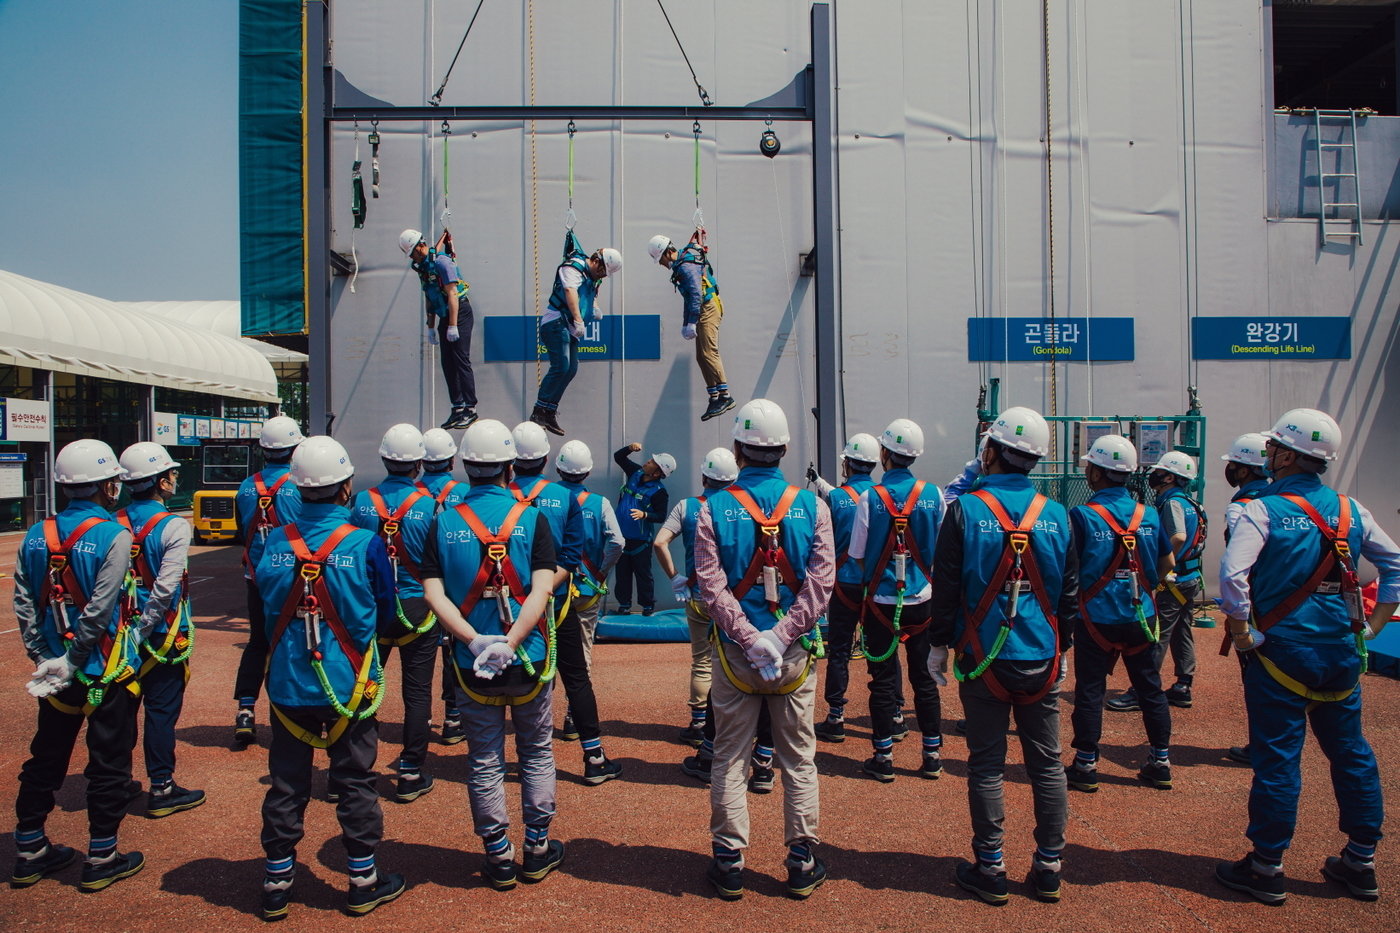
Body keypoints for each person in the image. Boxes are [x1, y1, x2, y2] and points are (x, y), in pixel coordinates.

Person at [1214, 409, 1400, 906]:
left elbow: (1232, 577)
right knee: (1352, 753)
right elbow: (1394, 562)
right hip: (1339, 651)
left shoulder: (1260, 509)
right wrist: (1374, 627)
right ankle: (1361, 861)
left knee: (1278, 760)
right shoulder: (1351, 509)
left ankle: (1266, 866)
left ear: (1288, 454)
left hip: (1281, 651)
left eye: (1274, 446)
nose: (1268, 453)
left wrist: (1241, 628)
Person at [928, 405, 1078, 906]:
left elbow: (946, 587)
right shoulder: (1058, 514)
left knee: (988, 764)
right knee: (1048, 765)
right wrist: (1064, 648)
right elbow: (1069, 594)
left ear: (989, 451)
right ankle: (1050, 866)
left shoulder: (965, 510)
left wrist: (938, 646)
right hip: (1042, 654)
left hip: (983, 656)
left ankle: (990, 866)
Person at [255, 436, 405, 919]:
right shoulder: (365, 544)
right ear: (346, 488)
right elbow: (386, 615)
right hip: (348, 685)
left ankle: (277, 879)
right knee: (356, 779)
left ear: (298, 491)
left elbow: (260, 613)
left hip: (288, 685)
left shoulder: (274, 543)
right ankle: (362, 878)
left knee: (286, 782)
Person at [693, 398, 835, 901]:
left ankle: (729, 860)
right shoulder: (812, 505)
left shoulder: (713, 508)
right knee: (798, 758)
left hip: (735, 655)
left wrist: (751, 638)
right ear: (785, 448)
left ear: (737, 449)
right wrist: (779, 636)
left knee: (730, 755)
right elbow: (822, 583)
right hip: (793, 654)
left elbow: (709, 586)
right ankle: (801, 859)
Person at [421, 419, 565, 890]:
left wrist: (474, 640)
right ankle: (538, 846)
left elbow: (433, 594)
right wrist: (513, 641)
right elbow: (543, 590)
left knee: (484, 758)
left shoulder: (444, 520)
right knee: (537, 750)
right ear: (509, 467)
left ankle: (498, 854)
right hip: (530, 659)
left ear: (466, 465)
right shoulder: (533, 517)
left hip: (471, 664)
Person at [11, 440, 143, 892]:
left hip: (55, 677)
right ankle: (102, 854)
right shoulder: (114, 535)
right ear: (108, 485)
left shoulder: (35, 534)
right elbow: (102, 608)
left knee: (46, 754)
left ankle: (29, 848)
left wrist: (44, 658)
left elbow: (24, 601)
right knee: (108, 763)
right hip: (102, 674)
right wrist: (74, 659)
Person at [1064, 435, 1175, 795]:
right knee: (1150, 688)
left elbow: (1070, 570)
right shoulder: (1149, 513)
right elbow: (1166, 563)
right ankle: (1159, 761)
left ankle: (1085, 764)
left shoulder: (1082, 515)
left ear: (1096, 472)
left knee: (1091, 690)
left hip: (1096, 617)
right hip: (1141, 615)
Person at [511, 422, 620, 784]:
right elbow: (570, 556)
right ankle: (594, 757)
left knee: (514, 679)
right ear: (545, 459)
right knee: (576, 677)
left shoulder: (497, 496)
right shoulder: (566, 499)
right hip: (557, 603)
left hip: (505, 608)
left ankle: (520, 761)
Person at [849, 419, 945, 782]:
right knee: (925, 677)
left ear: (885, 454)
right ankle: (932, 755)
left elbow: (857, 554)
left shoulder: (869, 498)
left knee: (883, 679)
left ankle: (884, 756)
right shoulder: (934, 495)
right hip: (922, 599)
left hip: (880, 602)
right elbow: (942, 550)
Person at [349, 424, 439, 803]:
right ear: (419, 462)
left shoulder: (362, 502)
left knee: (362, 686)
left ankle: (351, 771)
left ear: (385, 458)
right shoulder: (431, 505)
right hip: (418, 605)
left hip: (373, 607)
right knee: (417, 693)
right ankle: (410, 771)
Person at [116, 442, 205, 818]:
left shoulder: (112, 521)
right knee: (161, 712)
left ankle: (117, 781)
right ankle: (162, 786)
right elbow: (166, 589)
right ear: (161, 482)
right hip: (163, 636)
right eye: (171, 475)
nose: (174, 480)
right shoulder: (172, 525)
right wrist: (144, 629)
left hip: (119, 637)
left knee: (120, 712)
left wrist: (129, 632)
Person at [805, 433, 899, 745]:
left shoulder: (836, 498)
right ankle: (895, 714)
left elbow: (832, 516)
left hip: (844, 584)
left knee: (840, 650)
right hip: (877, 585)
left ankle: (836, 716)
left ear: (847, 463)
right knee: (884, 650)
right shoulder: (884, 496)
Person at [1106, 450, 1205, 713]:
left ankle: (1142, 689)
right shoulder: (1191, 503)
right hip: (1190, 576)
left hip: (1174, 579)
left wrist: (1161, 568)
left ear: (1170, 477)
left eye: (1160, 472)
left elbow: (1179, 537)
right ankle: (1184, 683)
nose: (1154, 476)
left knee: (1156, 634)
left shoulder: (1171, 502)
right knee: (1182, 630)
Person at [656, 448, 740, 744]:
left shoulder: (686, 506)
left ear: (704, 476)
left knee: (702, 660)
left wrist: (676, 577)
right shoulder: (742, 507)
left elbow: (660, 542)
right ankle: (733, 722)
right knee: (733, 657)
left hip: (697, 594)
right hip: (733, 598)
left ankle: (699, 722)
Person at [233, 415, 305, 748]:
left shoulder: (247, 486)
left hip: (255, 577)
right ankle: (290, 710)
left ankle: (245, 710)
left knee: (257, 642)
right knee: (290, 643)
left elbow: (240, 530)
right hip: (291, 577)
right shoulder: (299, 484)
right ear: (295, 448)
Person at [529, 245, 623, 436]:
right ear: (597, 261)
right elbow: (570, 292)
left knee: (571, 369)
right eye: (603, 272)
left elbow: (590, 294)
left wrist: (595, 308)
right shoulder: (572, 268)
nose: (602, 277)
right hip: (556, 323)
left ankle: (549, 411)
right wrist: (579, 320)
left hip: (569, 328)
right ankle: (539, 410)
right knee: (561, 366)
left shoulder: (593, 276)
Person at [1219, 432, 1271, 766]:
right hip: (1284, 603)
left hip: (1256, 606)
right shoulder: (1277, 499)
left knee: (1258, 679)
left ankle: (1262, 746)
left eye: (1235, 465)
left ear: (1245, 469)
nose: (1231, 470)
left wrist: (1237, 618)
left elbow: (1237, 568)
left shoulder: (1242, 507)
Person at [647, 231, 734, 421]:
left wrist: (692, 321)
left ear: (666, 252)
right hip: (704, 307)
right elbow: (689, 299)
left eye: (660, 260)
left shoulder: (685, 267)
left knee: (709, 352)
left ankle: (725, 396)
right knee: (701, 356)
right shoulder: (682, 266)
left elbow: (696, 294)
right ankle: (714, 396)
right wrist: (686, 322)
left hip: (708, 307)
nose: (662, 265)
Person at [553, 440, 624, 670]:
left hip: (550, 586)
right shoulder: (599, 503)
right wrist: (601, 573)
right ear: (588, 472)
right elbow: (617, 542)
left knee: (546, 646)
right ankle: (578, 703)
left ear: (557, 469)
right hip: (586, 586)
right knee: (583, 646)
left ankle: (543, 704)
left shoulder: (543, 499)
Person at [418, 426, 468, 743]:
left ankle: (418, 718)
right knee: (453, 650)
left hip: (414, 590)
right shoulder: (464, 494)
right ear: (452, 460)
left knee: (416, 660)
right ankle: (453, 716)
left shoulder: (410, 495)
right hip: (454, 589)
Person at [400, 228, 477, 430]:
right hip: (445, 314)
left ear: (420, 246)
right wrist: (431, 327)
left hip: (459, 312)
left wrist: (453, 326)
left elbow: (452, 294)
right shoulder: (423, 269)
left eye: (413, 253)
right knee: (447, 363)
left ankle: (471, 409)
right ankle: (457, 408)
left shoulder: (442, 262)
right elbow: (429, 297)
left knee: (461, 359)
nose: (413, 259)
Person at [612, 442, 674, 616]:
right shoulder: (635, 473)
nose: (647, 461)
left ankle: (647, 606)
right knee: (622, 573)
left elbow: (661, 516)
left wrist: (645, 515)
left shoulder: (660, 492)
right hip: (622, 537)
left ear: (657, 473)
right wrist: (629, 448)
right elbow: (619, 457)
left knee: (643, 573)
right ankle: (624, 605)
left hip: (641, 540)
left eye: (652, 462)